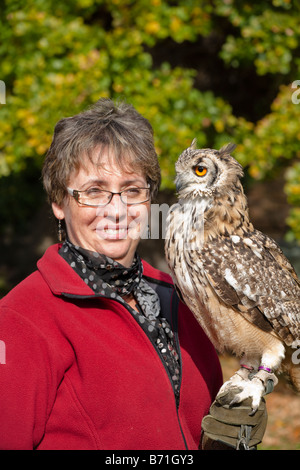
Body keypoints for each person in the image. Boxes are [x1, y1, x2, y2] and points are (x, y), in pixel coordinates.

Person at [0, 98, 266, 450]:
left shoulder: (183, 299)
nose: (117, 209)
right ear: (58, 202)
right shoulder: (20, 320)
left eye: (132, 190)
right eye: (94, 191)